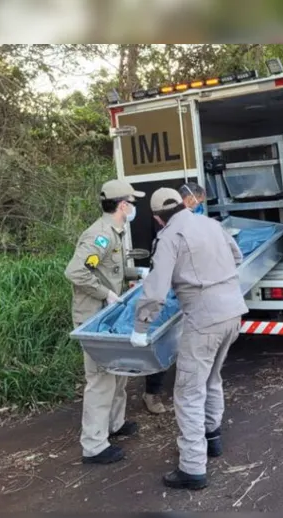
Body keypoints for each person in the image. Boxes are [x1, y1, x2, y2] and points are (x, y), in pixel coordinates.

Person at [131, 187, 247, 490]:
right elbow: (237, 255)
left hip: (204, 319)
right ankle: (213, 438)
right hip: (233, 312)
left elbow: (155, 291)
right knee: (211, 378)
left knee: (187, 391)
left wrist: (140, 328)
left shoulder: (169, 237)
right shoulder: (210, 223)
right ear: (183, 204)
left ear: (158, 218)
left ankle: (193, 468)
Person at [65, 179, 148, 465]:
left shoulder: (116, 231)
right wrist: (108, 294)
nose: (135, 207)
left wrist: (135, 274)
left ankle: (115, 423)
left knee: (118, 370)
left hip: (108, 314)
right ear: (123, 205)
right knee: (100, 379)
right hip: (93, 317)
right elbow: (76, 273)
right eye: (133, 203)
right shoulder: (99, 236)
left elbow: (108, 268)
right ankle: (94, 445)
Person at [141, 181, 209, 415]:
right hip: (170, 289)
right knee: (163, 340)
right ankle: (152, 392)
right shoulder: (165, 230)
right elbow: (160, 277)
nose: (199, 207)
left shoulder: (198, 225)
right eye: (197, 202)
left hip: (187, 291)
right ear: (187, 200)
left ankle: (187, 389)